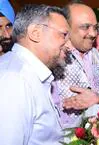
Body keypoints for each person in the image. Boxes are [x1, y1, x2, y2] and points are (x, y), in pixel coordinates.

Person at [0, 4, 70, 144]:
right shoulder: (15, 81)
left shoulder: (28, 74)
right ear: (35, 33)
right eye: (63, 35)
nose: (68, 44)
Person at [51, 0, 99, 129]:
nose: (93, 34)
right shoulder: (55, 56)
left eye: (95, 27)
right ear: (66, 28)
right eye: (85, 27)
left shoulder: (96, 54)